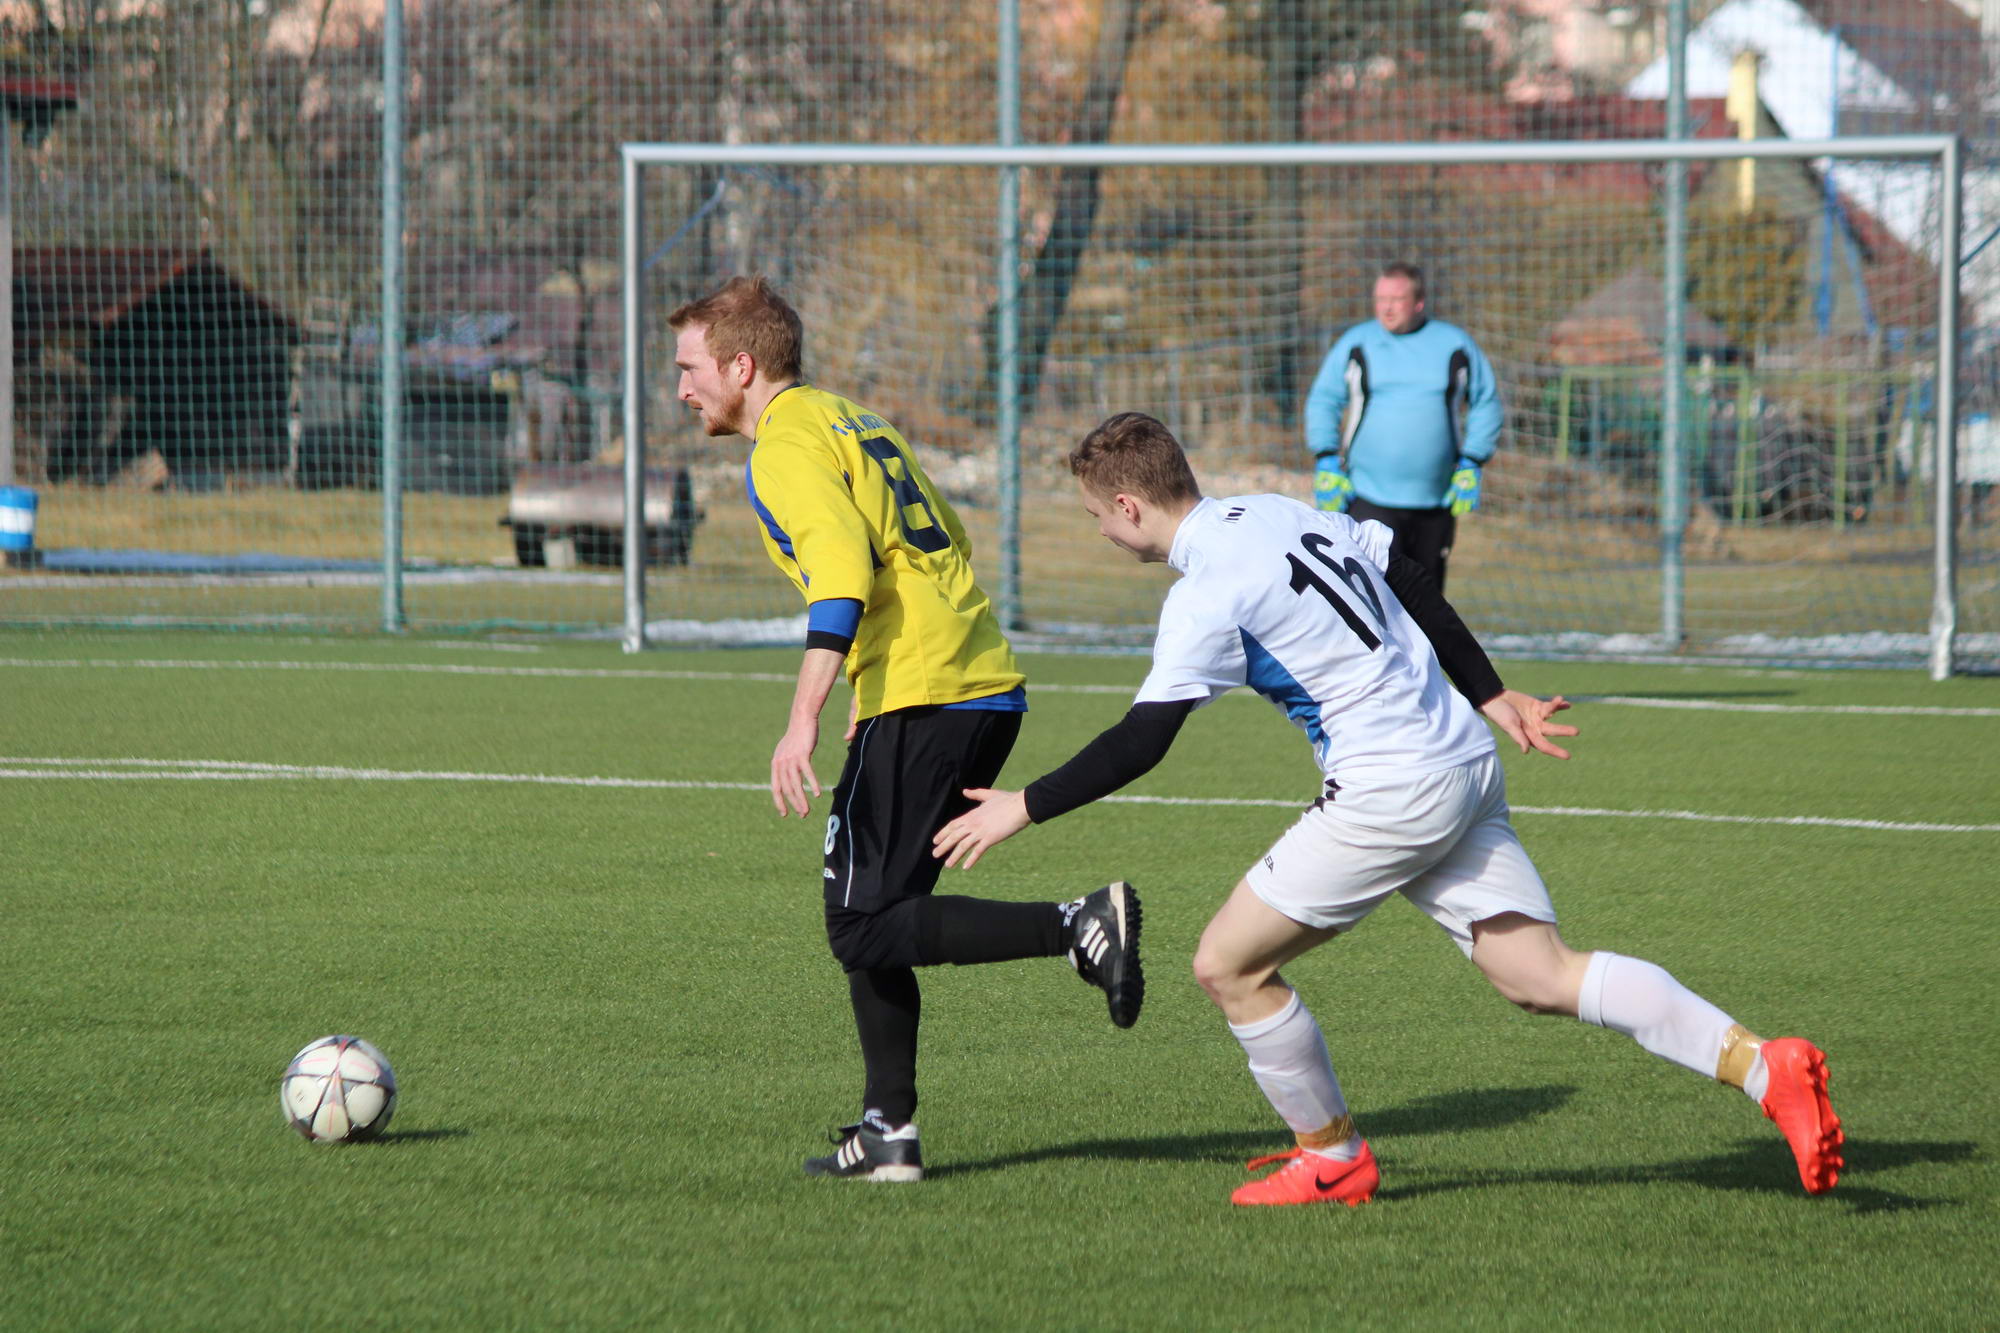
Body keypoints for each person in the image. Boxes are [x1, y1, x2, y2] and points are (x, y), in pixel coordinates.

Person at [932, 411, 1843, 1207]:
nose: (1099, 531)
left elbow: (1144, 739)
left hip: (1391, 788)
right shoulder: (1276, 510)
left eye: (1096, 515)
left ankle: (1331, 1157)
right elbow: (1406, 572)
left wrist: (1023, 806)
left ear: (1129, 506)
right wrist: (1491, 693)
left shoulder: (1203, 594)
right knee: (1539, 974)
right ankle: (1764, 1065)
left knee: (1227, 965)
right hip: (1461, 759)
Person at [668, 276, 1143, 1183]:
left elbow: (843, 574)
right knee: (874, 909)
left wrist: (800, 718)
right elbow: (941, 541)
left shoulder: (784, 445)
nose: (683, 388)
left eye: (691, 368)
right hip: (965, 680)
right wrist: (867, 679)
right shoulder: (851, 418)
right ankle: (888, 1129)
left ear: (742, 365)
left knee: (858, 924)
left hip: (929, 692)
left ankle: (1078, 924)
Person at [1304, 261, 1500, 590]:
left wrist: (1473, 460)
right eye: (1380, 299)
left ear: (1419, 302)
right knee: (1370, 597)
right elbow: (1324, 399)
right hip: (1368, 495)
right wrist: (1325, 458)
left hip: (1435, 501)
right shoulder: (1357, 343)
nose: (1387, 308)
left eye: (1396, 299)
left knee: (1424, 602)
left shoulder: (1455, 345)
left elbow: (1487, 402)